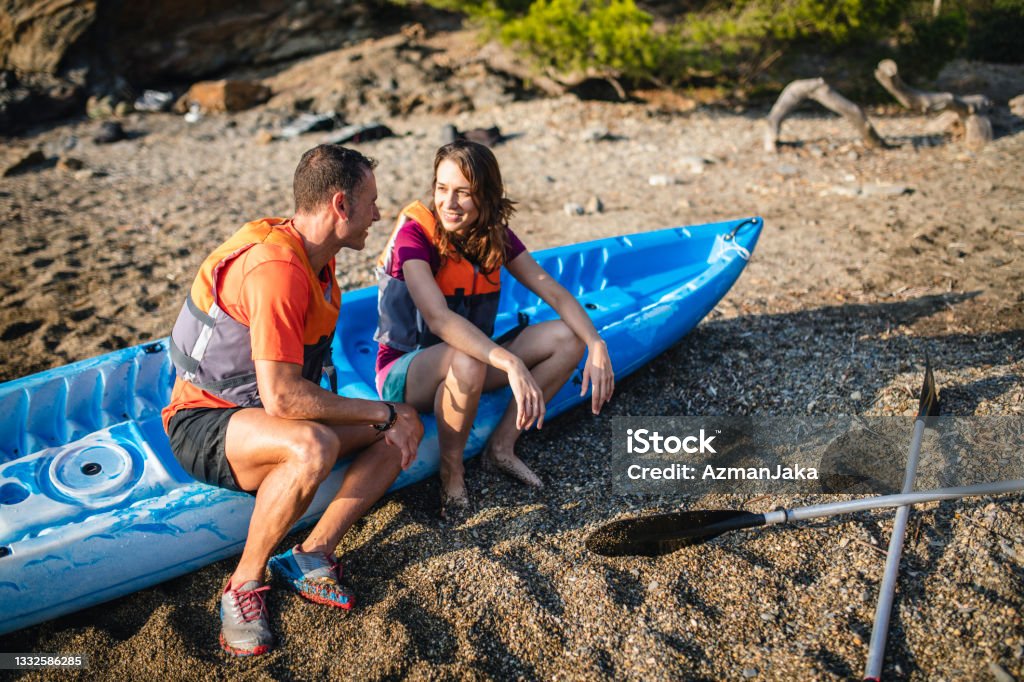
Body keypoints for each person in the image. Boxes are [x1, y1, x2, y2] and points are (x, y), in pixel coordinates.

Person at [161, 144, 423, 657]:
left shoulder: (317, 263)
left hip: (260, 419)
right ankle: (242, 586)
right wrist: (383, 408)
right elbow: (282, 398)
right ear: (341, 205)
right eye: (371, 201)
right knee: (313, 445)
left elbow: (299, 387)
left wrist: (391, 419)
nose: (379, 213)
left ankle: (311, 553)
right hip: (205, 423)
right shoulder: (276, 269)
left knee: (397, 434)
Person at [374, 139, 614, 517]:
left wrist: (596, 343)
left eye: (463, 193)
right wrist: (511, 363)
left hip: (472, 358)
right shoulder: (414, 237)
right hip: (406, 372)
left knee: (567, 340)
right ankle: (452, 472)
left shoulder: (493, 235)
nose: (448, 203)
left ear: (486, 195)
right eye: (441, 188)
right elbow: (438, 318)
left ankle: (501, 448)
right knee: (468, 360)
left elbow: (552, 290)